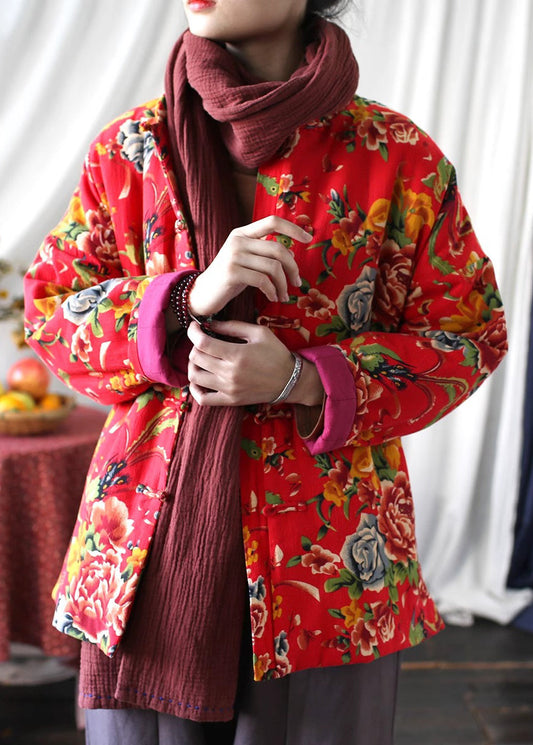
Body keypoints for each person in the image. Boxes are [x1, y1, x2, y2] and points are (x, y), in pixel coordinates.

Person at [23, 0, 508, 743]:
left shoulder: (395, 156)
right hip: (145, 548)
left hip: (328, 558)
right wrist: (183, 298)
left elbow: (469, 334)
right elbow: (52, 312)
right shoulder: (132, 149)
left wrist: (304, 380)